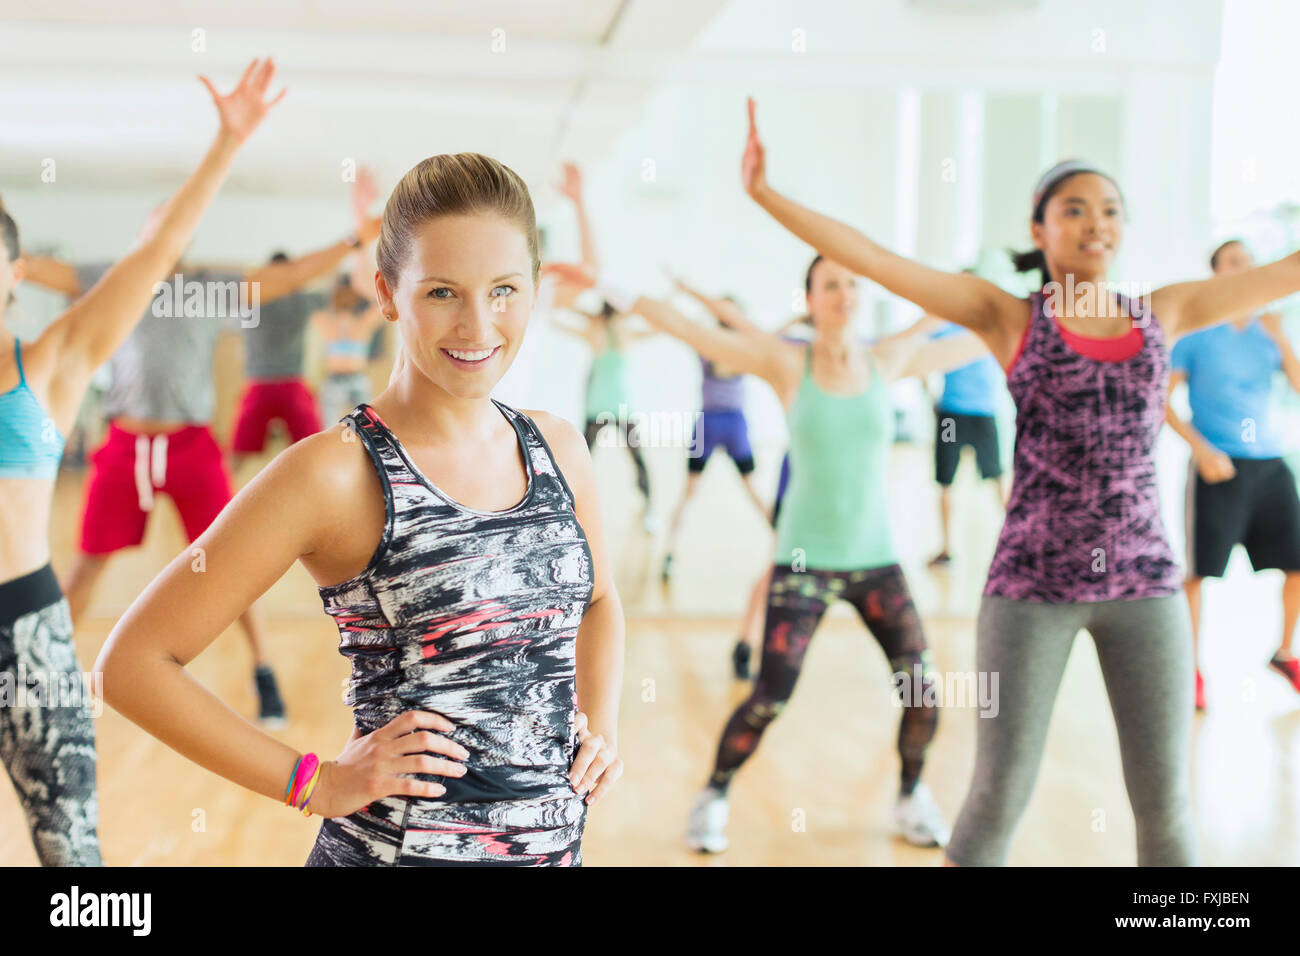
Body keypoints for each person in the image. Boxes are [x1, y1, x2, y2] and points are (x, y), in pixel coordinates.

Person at [733, 98, 1300, 865]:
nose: (1096, 222)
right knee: (999, 795)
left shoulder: (1165, 312)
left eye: (1110, 210)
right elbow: (874, 258)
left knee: (1166, 806)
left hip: (1146, 589)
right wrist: (767, 196)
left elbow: (1289, 271)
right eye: (1075, 209)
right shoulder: (1008, 316)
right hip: (1030, 590)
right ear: (1041, 229)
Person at [95, 151, 625, 866]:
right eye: (442, 293)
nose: (477, 324)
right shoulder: (335, 473)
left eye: (504, 290)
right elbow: (133, 664)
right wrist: (315, 782)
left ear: (535, 288)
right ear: (386, 292)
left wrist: (602, 726)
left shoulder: (558, 446)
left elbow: (598, 602)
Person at [549, 250, 991, 852]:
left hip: (878, 562)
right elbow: (689, 329)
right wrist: (605, 281)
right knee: (770, 695)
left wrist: (1037, 303)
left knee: (922, 690)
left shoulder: (889, 359)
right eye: (830, 285)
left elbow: (983, 337)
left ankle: (912, 793)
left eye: (852, 284)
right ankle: (714, 793)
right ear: (810, 299)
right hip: (803, 562)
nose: (844, 295)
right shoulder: (787, 364)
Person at [0, 55, 282, 865]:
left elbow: (157, 257)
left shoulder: (50, 362)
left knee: (71, 850)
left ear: (14, 275)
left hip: (29, 634)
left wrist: (225, 144)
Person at [24, 159, 381, 732]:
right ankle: (46, 677)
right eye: (155, 225)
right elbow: (40, 270)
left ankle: (264, 673)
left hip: (190, 447)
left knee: (227, 567)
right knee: (84, 568)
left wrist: (350, 238)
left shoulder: (207, 291)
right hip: (125, 446)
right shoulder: (113, 281)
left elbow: (286, 280)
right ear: (145, 236)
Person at [1166, 238, 1300, 711]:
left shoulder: (1269, 332)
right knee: (1200, 574)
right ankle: (1190, 669)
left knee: (1297, 564)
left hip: (1270, 461)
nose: (1247, 268)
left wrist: (1281, 337)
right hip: (1217, 465)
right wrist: (1200, 450)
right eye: (1236, 262)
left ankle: (1283, 653)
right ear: (1218, 274)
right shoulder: (1197, 334)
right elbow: (1159, 399)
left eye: (1250, 261)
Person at [660, 279, 769, 585]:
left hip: (727, 425)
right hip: (714, 424)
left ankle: (785, 548)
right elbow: (683, 326)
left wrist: (681, 295)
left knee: (751, 491)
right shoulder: (716, 344)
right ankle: (669, 553)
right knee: (693, 491)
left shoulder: (737, 345)